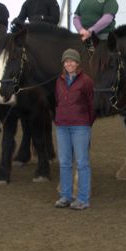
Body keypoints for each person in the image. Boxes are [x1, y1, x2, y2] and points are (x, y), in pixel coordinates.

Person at [54, 48, 96, 210]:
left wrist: (86, 122)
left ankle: (83, 198)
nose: (69, 64)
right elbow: (58, 100)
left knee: (82, 162)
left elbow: (92, 105)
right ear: (63, 64)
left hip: (80, 127)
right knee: (64, 162)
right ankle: (65, 196)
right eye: (66, 61)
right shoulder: (59, 81)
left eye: (72, 61)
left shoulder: (86, 81)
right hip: (62, 126)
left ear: (77, 63)